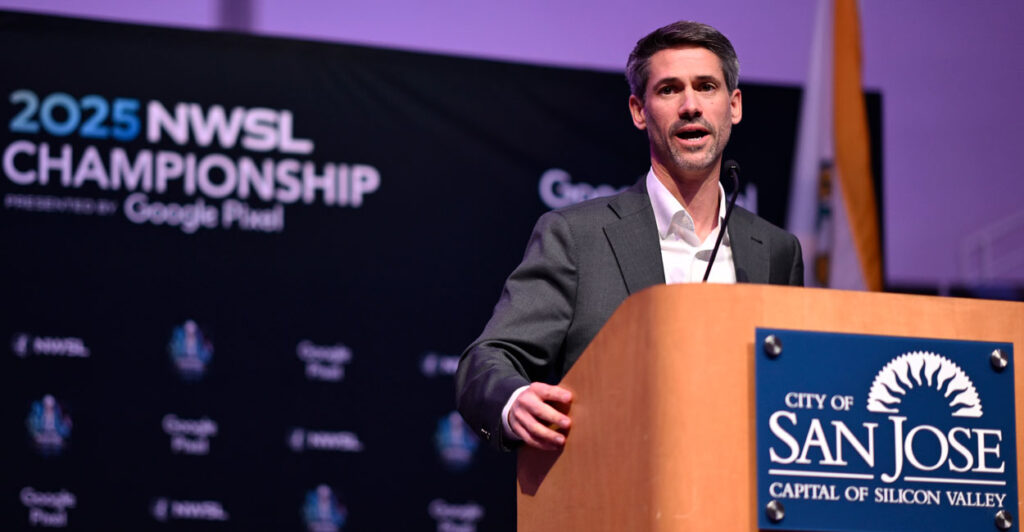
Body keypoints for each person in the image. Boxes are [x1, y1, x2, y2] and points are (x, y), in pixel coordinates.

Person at [455, 20, 804, 452]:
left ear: (734, 106)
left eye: (707, 86)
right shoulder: (577, 237)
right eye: (669, 89)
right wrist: (513, 400)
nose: (690, 105)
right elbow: (487, 361)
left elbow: (792, 390)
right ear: (639, 110)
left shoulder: (776, 250)